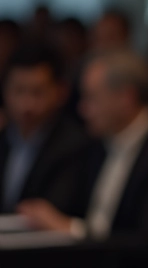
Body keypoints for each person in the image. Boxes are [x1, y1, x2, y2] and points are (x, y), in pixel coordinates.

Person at [17, 49, 148, 268]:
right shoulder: (94, 145)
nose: (83, 109)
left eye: (91, 98)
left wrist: (73, 229)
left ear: (126, 98)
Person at [0, 45, 89, 214]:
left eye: (37, 92)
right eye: (18, 91)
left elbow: (59, 208)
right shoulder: (4, 136)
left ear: (60, 92)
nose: (27, 105)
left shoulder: (75, 146)